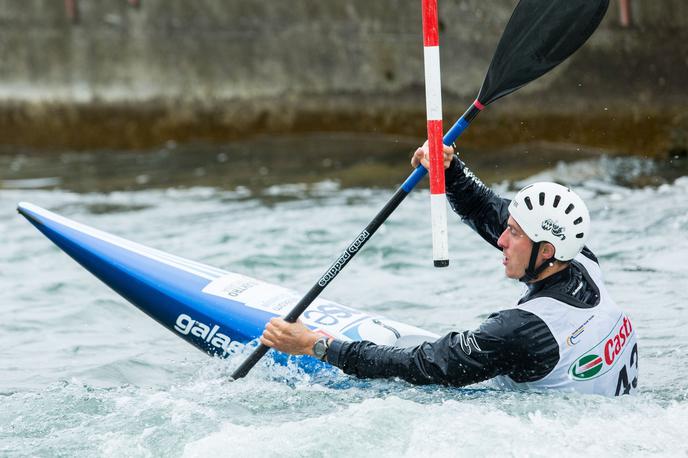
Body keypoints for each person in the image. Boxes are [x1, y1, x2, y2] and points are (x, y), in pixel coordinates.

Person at [261, 143, 639, 396]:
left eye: (514, 234)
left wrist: (317, 346)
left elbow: (426, 364)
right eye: (508, 230)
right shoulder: (582, 260)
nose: (502, 242)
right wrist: (450, 169)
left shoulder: (523, 331)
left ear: (546, 251)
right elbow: (491, 212)